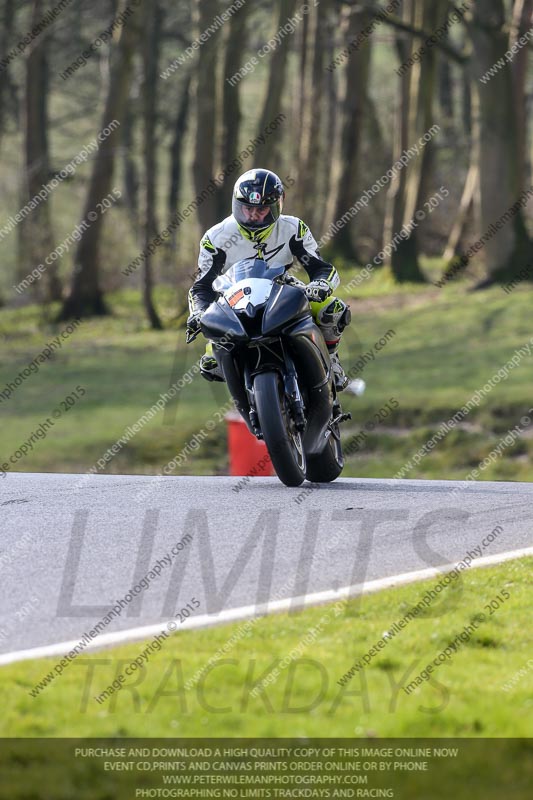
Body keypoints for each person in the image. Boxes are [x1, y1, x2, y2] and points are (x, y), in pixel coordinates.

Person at [187, 168, 351, 390]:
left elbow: (321, 268)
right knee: (210, 363)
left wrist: (320, 285)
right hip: (235, 303)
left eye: (262, 209)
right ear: (236, 206)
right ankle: (249, 397)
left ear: (277, 206)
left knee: (333, 311)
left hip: (284, 293)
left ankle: (332, 361)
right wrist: (198, 313)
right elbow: (201, 287)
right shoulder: (215, 238)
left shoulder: (293, 228)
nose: (253, 215)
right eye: (247, 208)